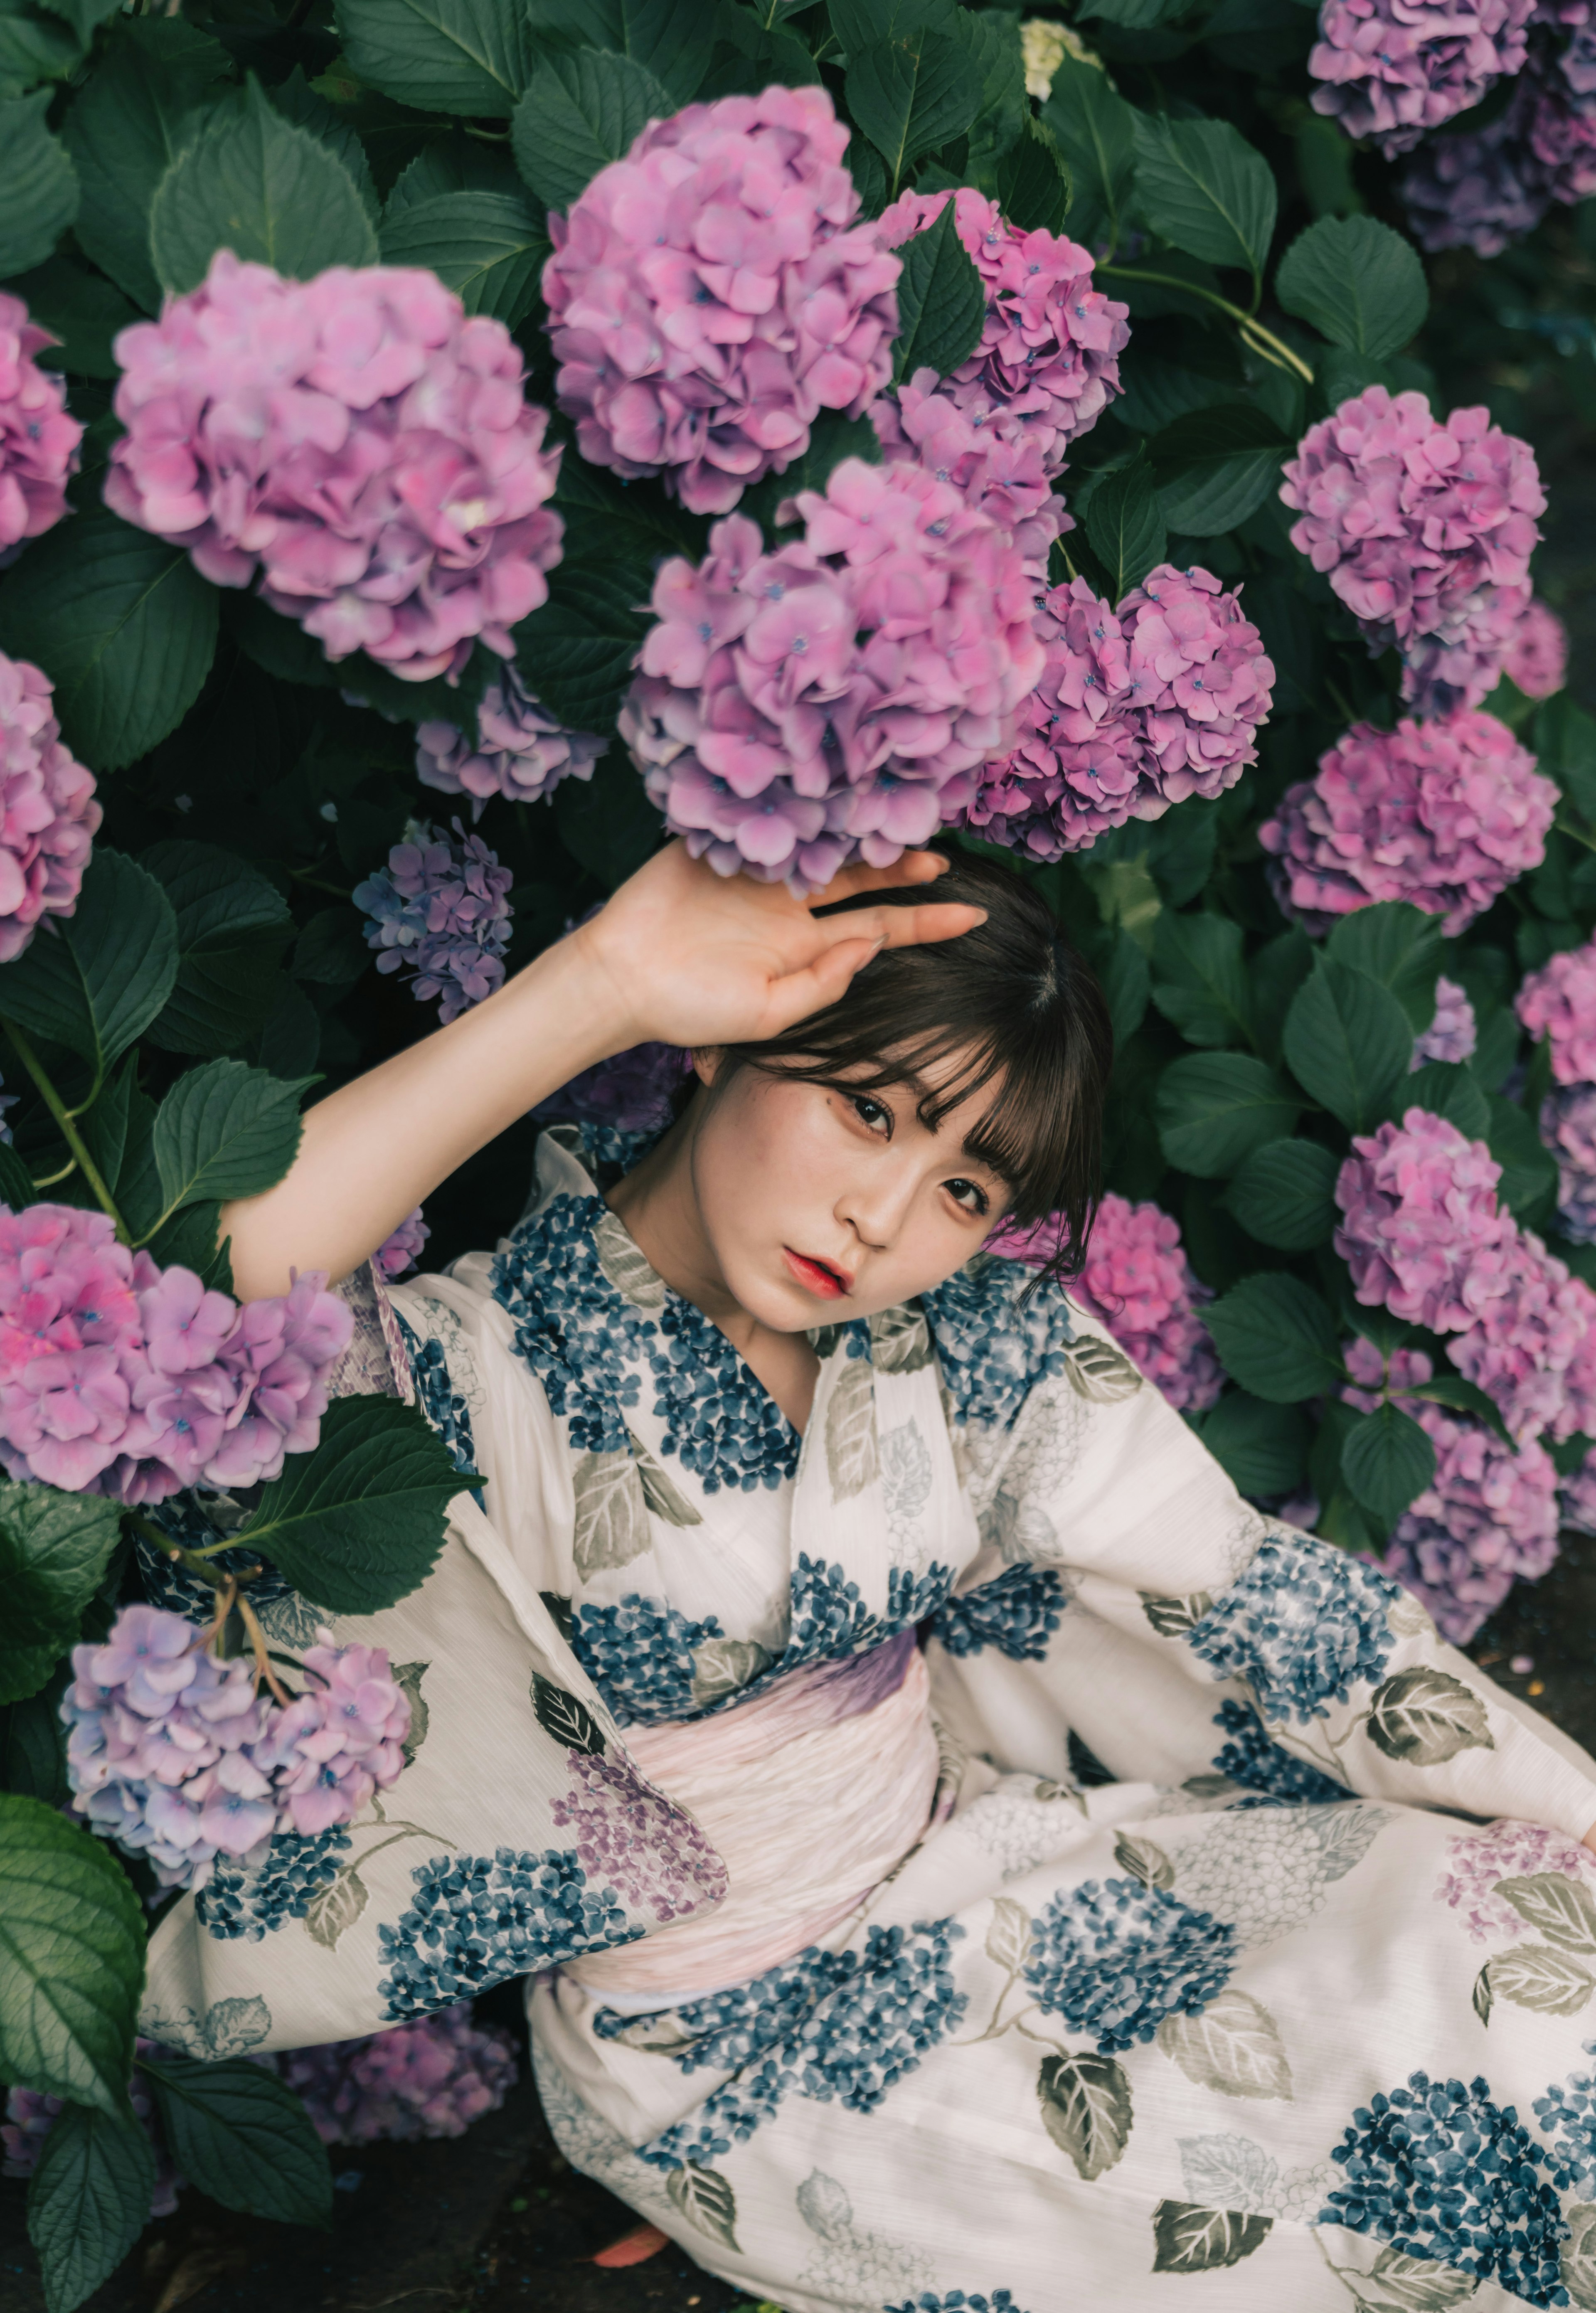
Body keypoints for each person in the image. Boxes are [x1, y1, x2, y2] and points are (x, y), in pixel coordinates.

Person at [143, 842, 1596, 2313]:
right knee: (1397, 2182)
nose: (886, 1218)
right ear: (723, 1041)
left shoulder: (958, 1345)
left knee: (1504, 1939)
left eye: (965, 1184)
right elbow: (215, 1284)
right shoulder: (490, 1364)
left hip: (986, 1868)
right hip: (738, 2045)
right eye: (865, 1109)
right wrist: (602, 985)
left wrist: (1570, 1809)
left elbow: (1260, 1596)